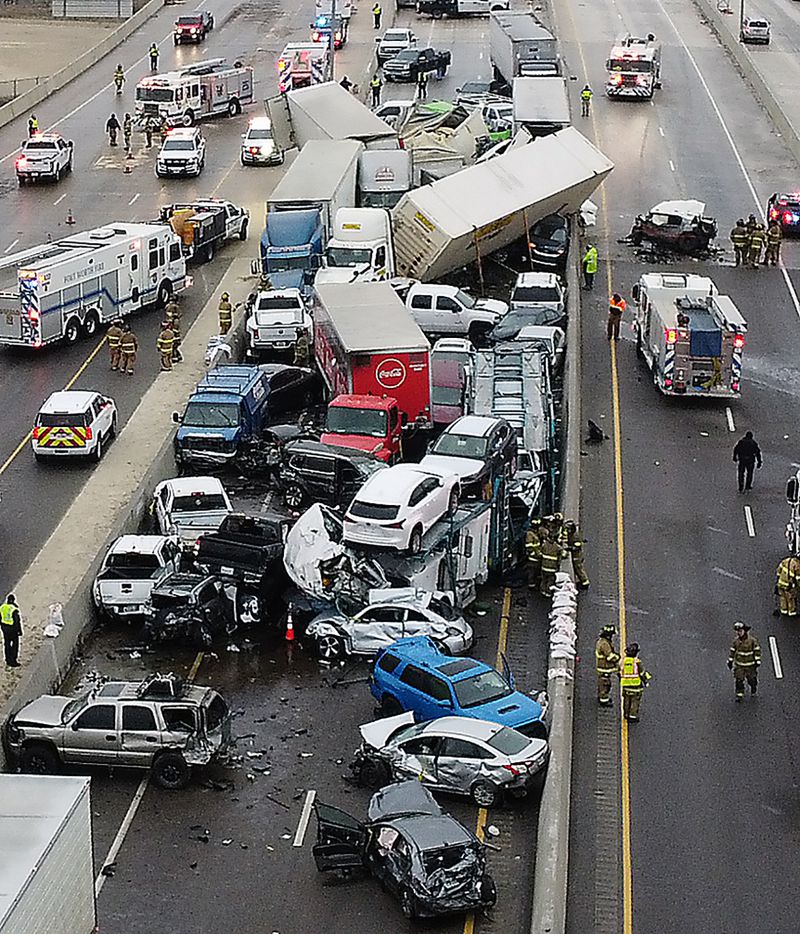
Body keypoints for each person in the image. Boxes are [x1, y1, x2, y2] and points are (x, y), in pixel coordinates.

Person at [728, 621, 760, 702]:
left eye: (740, 631)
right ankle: (739, 694)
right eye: (737, 631)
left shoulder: (752, 641)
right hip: (739, 665)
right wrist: (730, 661)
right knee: (739, 680)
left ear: (744, 631)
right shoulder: (736, 642)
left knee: (751, 679)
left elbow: (757, 650)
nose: (738, 633)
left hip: (750, 665)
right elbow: (732, 651)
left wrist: (757, 660)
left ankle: (753, 687)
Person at [619, 643, 651, 721]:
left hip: (625, 685)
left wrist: (621, 679)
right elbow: (642, 673)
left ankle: (626, 714)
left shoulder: (623, 661)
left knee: (626, 700)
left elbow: (619, 671)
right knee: (635, 701)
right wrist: (645, 681)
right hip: (636, 685)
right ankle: (632, 715)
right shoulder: (637, 662)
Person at [595, 624, 620, 706]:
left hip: (603, 668)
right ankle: (604, 700)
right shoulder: (604, 644)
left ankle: (602, 697)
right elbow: (610, 657)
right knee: (605, 685)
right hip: (604, 668)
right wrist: (618, 658)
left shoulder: (603, 642)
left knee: (603, 683)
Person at [564, 520, 590, 589]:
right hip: (575, 556)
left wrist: (570, 548)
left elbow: (577, 546)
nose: (568, 531)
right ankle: (582, 580)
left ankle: (585, 582)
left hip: (577, 556)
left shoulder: (575, 536)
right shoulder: (571, 535)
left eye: (569, 529)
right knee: (577, 569)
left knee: (579, 569)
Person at [539, 532, 564, 597]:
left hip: (544, 566)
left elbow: (540, 552)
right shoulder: (557, 547)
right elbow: (563, 554)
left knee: (544, 579)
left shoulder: (544, 545)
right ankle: (548, 592)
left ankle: (542, 591)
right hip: (552, 568)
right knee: (550, 580)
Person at [1, 593, 22, 668]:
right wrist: (19, 631)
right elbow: (17, 621)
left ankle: (7, 659)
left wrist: (2, 627)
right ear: (13, 600)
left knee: (7, 644)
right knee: (15, 644)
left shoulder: (2, 607)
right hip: (12, 629)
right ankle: (13, 660)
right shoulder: (14, 609)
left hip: (5, 629)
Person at [525, 518, 543, 591]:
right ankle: (531, 585)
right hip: (533, 558)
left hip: (537, 557)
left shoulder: (536, 533)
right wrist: (534, 553)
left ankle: (535, 584)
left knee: (536, 572)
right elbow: (529, 546)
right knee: (532, 572)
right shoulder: (530, 534)